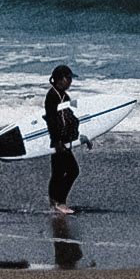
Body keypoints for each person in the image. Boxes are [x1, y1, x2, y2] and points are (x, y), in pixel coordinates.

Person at [43, 64, 82, 215]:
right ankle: (60, 202)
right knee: (73, 170)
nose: (70, 81)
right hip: (58, 141)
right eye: (69, 78)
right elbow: (51, 120)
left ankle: (54, 203)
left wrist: (85, 137)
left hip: (64, 140)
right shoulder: (52, 96)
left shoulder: (65, 97)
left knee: (58, 172)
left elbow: (71, 119)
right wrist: (57, 141)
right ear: (60, 79)